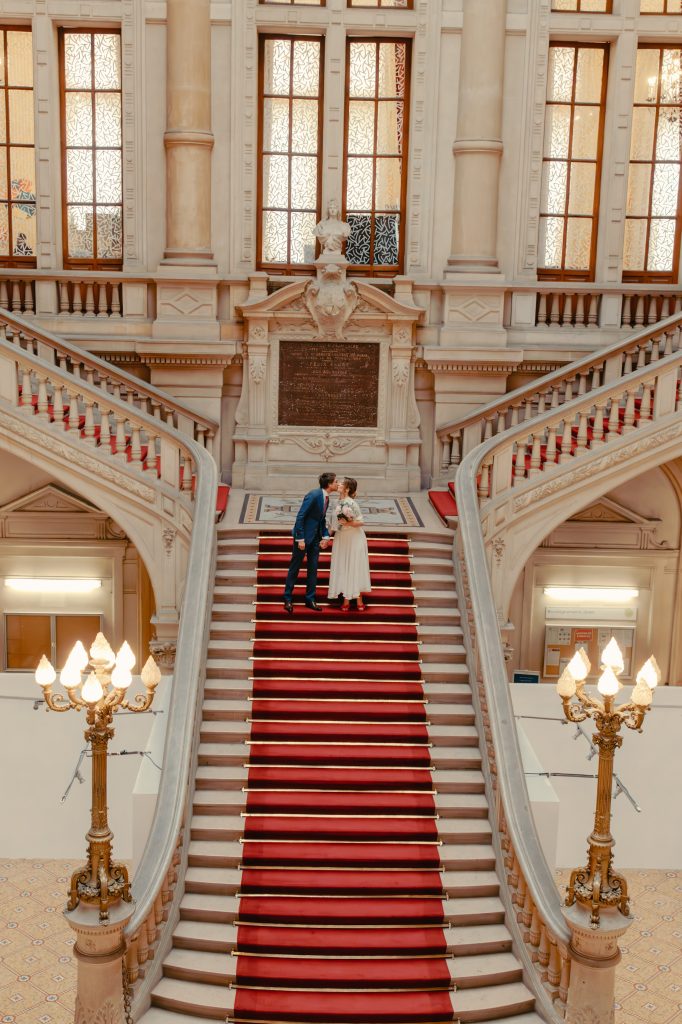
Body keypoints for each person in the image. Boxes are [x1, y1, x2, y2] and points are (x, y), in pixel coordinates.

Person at [283, 472, 338, 614]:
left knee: (313, 569)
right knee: (294, 568)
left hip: (314, 539)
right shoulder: (314, 495)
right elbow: (301, 516)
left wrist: (325, 536)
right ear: (329, 484)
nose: (338, 484)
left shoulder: (326, 498)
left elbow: (321, 520)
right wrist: (300, 538)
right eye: (336, 482)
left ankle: (310, 599)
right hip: (303, 538)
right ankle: (288, 598)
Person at [328, 477, 371, 611]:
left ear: (347, 489)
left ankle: (358, 598)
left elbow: (361, 522)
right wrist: (326, 538)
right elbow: (332, 523)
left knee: (354, 565)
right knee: (343, 565)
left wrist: (348, 523)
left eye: (341, 483)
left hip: (354, 537)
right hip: (341, 538)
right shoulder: (336, 502)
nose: (339, 484)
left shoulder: (352, 503)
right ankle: (347, 597)